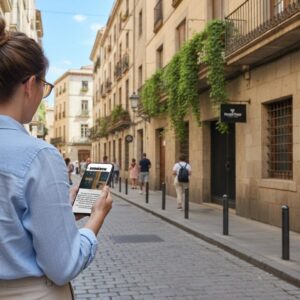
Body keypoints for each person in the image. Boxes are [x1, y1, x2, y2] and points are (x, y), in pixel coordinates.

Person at [0, 18, 112, 299]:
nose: (43, 96)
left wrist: (64, 211)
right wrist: (95, 218)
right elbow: (62, 265)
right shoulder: (38, 155)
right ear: (29, 85)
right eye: (44, 87)